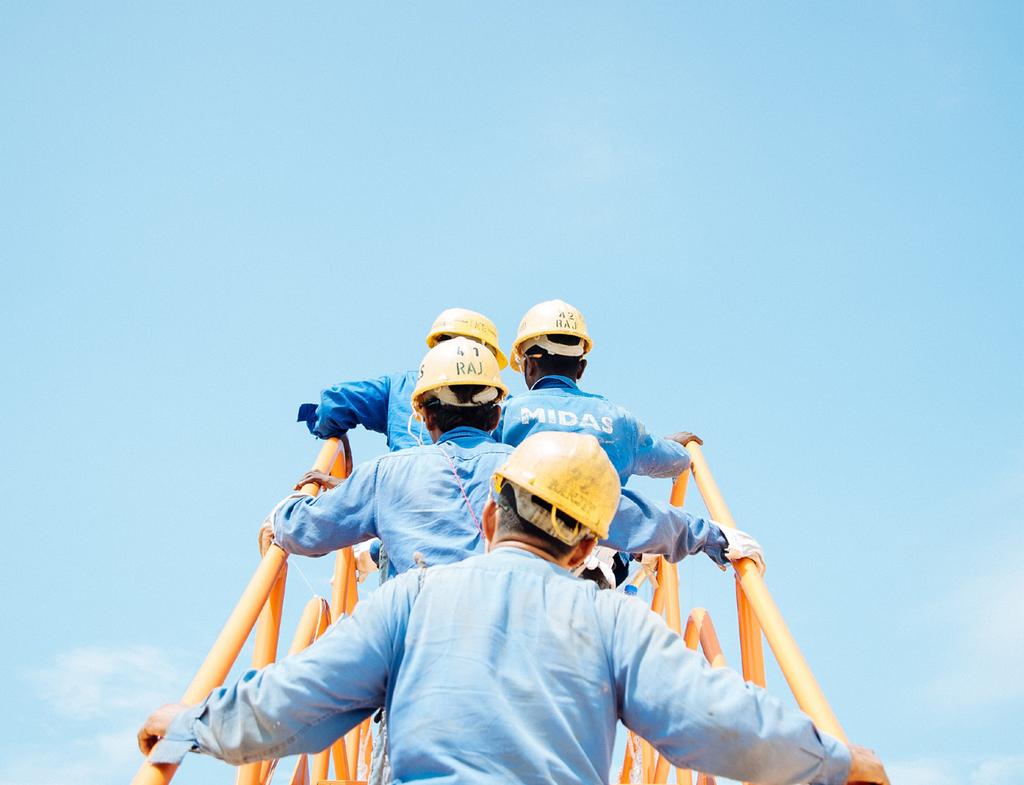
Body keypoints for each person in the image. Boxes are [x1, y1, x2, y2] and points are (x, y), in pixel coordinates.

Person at [140, 432, 888, 785]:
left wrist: (187, 727)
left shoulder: (409, 599)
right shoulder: (616, 620)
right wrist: (833, 760)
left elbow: (295, 700)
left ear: (493, 516)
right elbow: (714, 717)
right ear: (586, 546)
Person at [260, 339, 765, 580]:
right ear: (497, 406)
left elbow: (304, 531)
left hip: (416, 666)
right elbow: (629, 513)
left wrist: (292, 506)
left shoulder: (384, 475)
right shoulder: (536, 469)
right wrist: (711, 536)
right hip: (520, 658)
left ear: (424, 413)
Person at [295, 307, 508, 579]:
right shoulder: (495, 405)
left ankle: (373, 551)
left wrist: (330, 433)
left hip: (402, 530)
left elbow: (334, 405)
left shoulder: (402, 387)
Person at [496, 299, 699, 484]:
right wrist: (674, 446)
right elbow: (675, 460)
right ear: (581, 368)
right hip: (603, 524)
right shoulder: (620, 421)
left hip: (522, 523)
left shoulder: (505, 415)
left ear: (529, 365)